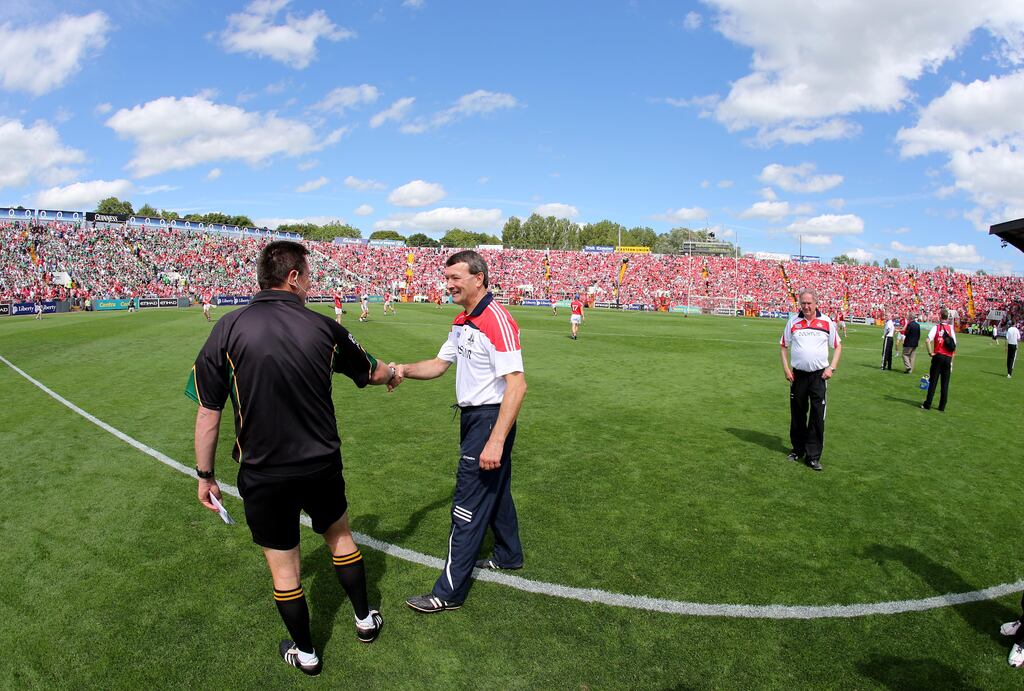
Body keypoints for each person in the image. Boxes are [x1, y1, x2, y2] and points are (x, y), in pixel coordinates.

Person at [186, 241, 399, 676]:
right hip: (320, 464)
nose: (312, 281)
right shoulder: (323, 327)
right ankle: (364, 619)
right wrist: (394, 373)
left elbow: (209, 411)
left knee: (284, 568)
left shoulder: (227, 328)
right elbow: (372, 370)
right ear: (294, 277)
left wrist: (205, 475)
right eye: (309, 273)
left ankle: (307, 654)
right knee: (340, 538)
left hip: (263, 473)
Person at [394, 250, 526, 612]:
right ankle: (509, 554)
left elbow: (517, 385)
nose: (447, 284)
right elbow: (439, 365)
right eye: (447, 277)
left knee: (466, 507)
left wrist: (496, 440)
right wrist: (401, 370)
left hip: (489, 420)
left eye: (455, 278)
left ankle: (448, 593)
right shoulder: (462, 320)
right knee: (495, 492)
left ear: (478, 278)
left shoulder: (496, 320)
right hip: (473, 418)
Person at [780, 289, 842, 472]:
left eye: (809, 303)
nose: (806, 307)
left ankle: (813, 456)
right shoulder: (793, 321)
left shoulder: (826, 322)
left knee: (817, 416)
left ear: (816, 303)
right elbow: (783, 346)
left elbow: (838, 346)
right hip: (798, 375)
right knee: (798, 414)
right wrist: (786, 369)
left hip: (818, 376)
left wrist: (832, 367)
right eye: (803, 303)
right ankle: (797, 450)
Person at [921, 307, 956, 411]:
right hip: (948, 358)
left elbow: (927, 340)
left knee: (933, 382)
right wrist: (951, 363)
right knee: (945, 384)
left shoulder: (936, 328)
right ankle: (942, 406)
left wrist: (930, 353)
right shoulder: (951, 329)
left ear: (940, 316)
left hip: (938, 356)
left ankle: (928, 404)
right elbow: (954, 346)